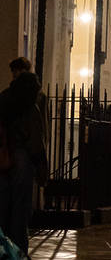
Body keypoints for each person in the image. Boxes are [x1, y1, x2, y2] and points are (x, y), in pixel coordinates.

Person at [0, 66, 47, 255]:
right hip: (21, 161)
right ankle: (18, 252)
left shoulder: (3, 100)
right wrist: (42, 169)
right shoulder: (30, 109)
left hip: (2, 160)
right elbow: (35, 142)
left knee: (3, 208)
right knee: (20, 210)